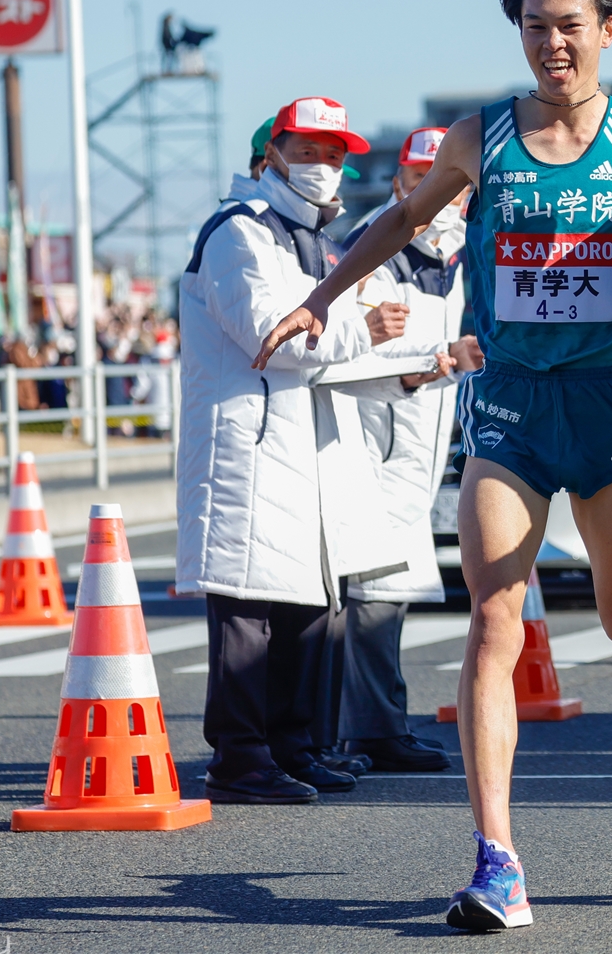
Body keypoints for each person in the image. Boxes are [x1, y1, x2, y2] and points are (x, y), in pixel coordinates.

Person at [254, 0, 612, 931]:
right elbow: (400, 219)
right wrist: (322, 295)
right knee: (494, 617)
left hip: (608, 411)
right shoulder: (486, 135)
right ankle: (498, 861)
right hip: (514, 414)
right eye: (534, 26)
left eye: (569, 24)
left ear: (608, 29)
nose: (552, 43)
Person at [177, 96, 448, 805]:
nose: (322, 167)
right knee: (249, 611)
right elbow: (276, 334)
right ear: (272, 154)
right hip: (251, 447)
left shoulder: (312, 240)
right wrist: (368, 331)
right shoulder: (240, 233)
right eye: (306, 151)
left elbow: (330, 351)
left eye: (333, 155)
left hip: (300, 448)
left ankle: (293, 746)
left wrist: (407, 368)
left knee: (301, 607)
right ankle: (240, 757)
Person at [335, 126, 478, 773]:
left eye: (450, 183)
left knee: (387, 592)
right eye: (423, 180)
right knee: (370, 591)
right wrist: (435, 360)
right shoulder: (377, 247)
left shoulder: (456, 256)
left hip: (418, 441)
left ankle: (377, 725)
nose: (438, 195)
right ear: (401, 182)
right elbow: (348, 344)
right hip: (373, 435)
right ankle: (369, 729)